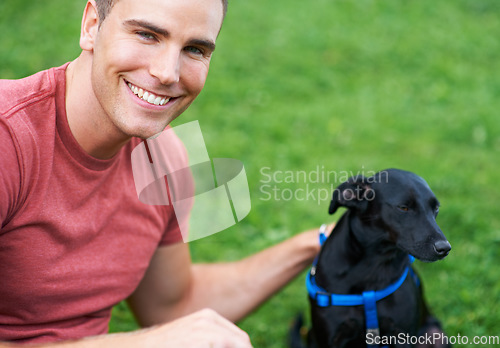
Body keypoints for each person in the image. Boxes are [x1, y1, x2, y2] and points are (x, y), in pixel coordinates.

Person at [0, 0, 324, 346]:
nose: (168, 72)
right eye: (146, 35)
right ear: (92, 25)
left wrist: (315, 243)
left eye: (194, 49)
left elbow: (171, 306)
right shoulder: (9, 138)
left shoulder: (165, 156)